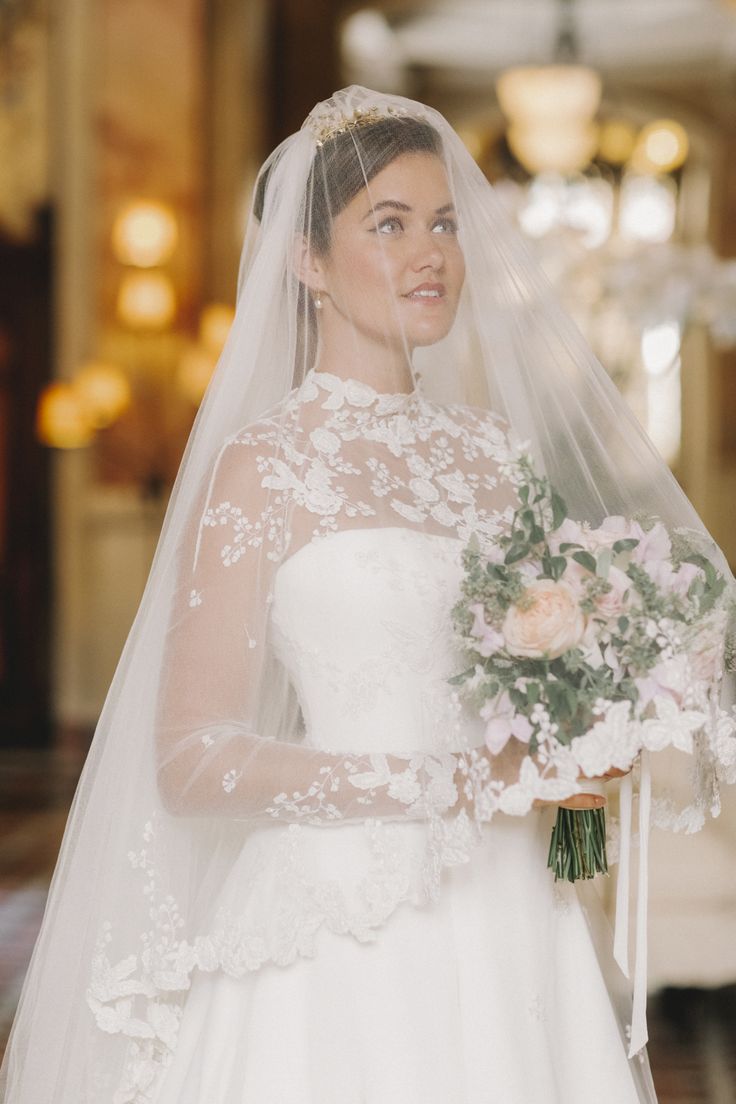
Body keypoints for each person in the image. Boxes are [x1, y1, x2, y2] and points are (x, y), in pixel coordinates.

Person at [1, 85, 734, 1104]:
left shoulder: (495, 459)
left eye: (442, 223)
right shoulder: (265, 467)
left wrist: (582, 780)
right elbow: (189, 759)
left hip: (514, 922)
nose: (427, 253)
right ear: (307, 263)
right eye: (386, 225)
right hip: (338, 935)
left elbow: (563, 801)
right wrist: (426, 782)